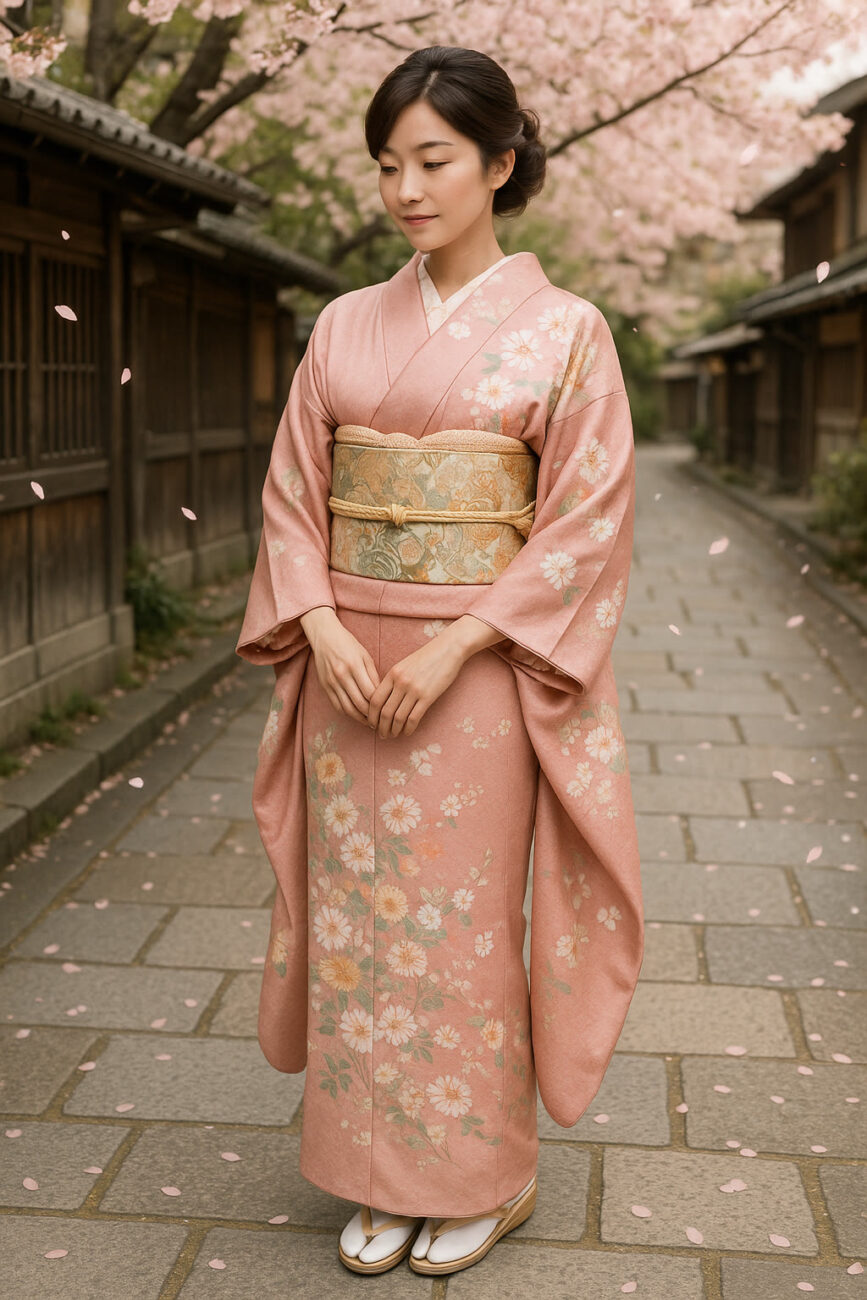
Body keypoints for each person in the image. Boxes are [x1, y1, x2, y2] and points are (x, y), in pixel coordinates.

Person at [235, 44, 644, 1278]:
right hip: (346, 667)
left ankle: (483, 1174)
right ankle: (375, 1169)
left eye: (433, 160)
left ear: (500, 163)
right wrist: (318, 625)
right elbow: (294, 492)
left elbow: (585, 521)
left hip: (477, 674)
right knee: (359, 916)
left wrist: (461, 640)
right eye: (386, 166)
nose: (406, 189)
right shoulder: (344, 324)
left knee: (458, 923)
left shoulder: (568, 333)